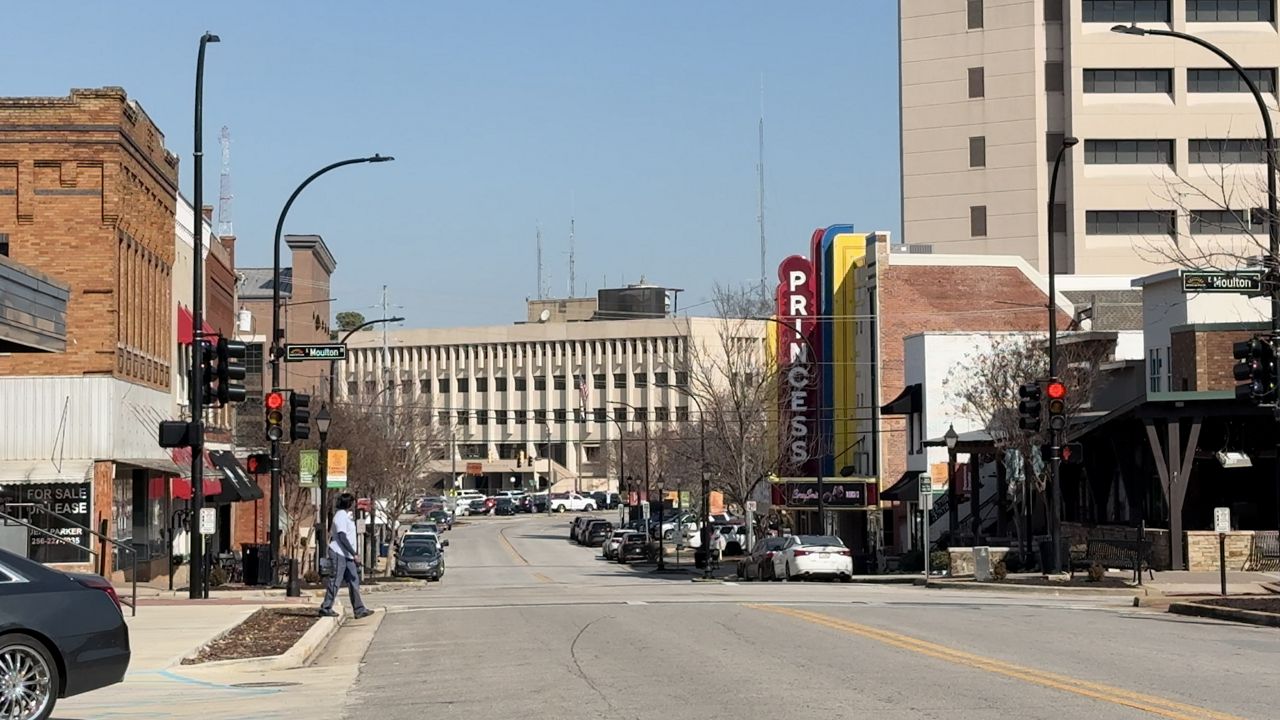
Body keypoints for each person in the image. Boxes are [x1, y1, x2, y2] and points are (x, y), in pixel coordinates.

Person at [319, 492, 373, 619]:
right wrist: (354, 553)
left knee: (354, 580)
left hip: (347, 555)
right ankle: (326, 607)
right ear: (348, 503)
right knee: (336, 580)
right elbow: (342, 536)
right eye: (352, 502)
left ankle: (359, 609)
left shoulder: (345, 516)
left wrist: (352, 554)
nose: (354, 505)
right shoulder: (340, 516)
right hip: (339, 553)